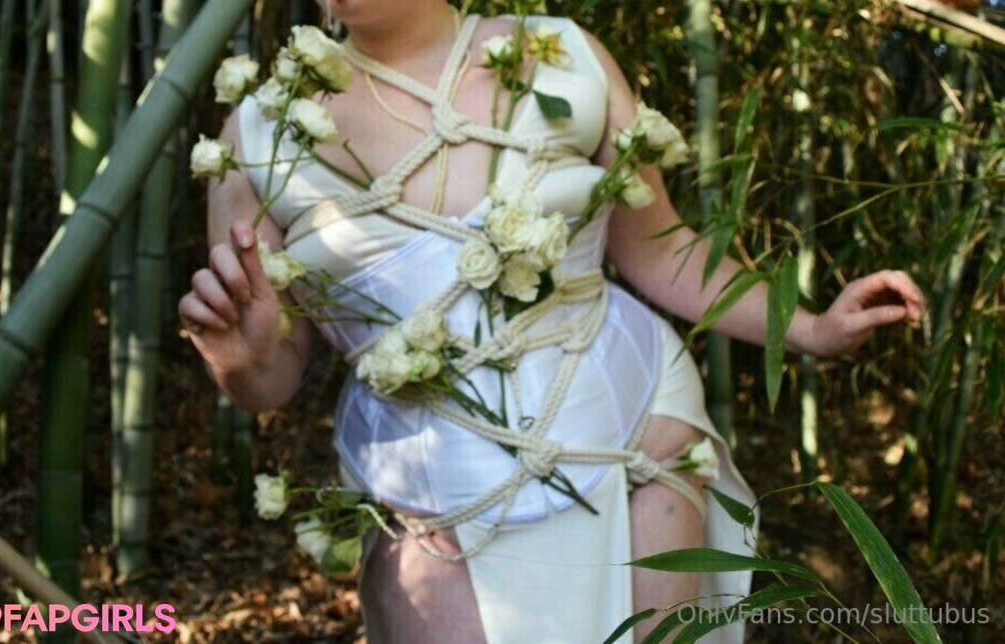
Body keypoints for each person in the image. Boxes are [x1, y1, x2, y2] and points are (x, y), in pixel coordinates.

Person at [178, 1, 926, 641]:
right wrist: (239, 360)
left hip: (637, 443)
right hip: (438, 501)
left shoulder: (561, 54)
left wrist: (811, 328)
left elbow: (659, 250)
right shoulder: (260, 133)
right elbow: (272, 378)